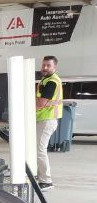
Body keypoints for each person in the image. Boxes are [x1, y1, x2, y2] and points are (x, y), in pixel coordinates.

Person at [35, 55, 63, 190]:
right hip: (42, 119)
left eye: (48, 65)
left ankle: (46, 181)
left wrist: (27, 99)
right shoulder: (46, 80)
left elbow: (41, 103)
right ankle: (39, 176)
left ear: (54, 67)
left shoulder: (52, 81)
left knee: (40, 149)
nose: (45, 68)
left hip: (47, 120)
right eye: (44, 65)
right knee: (37, 149)